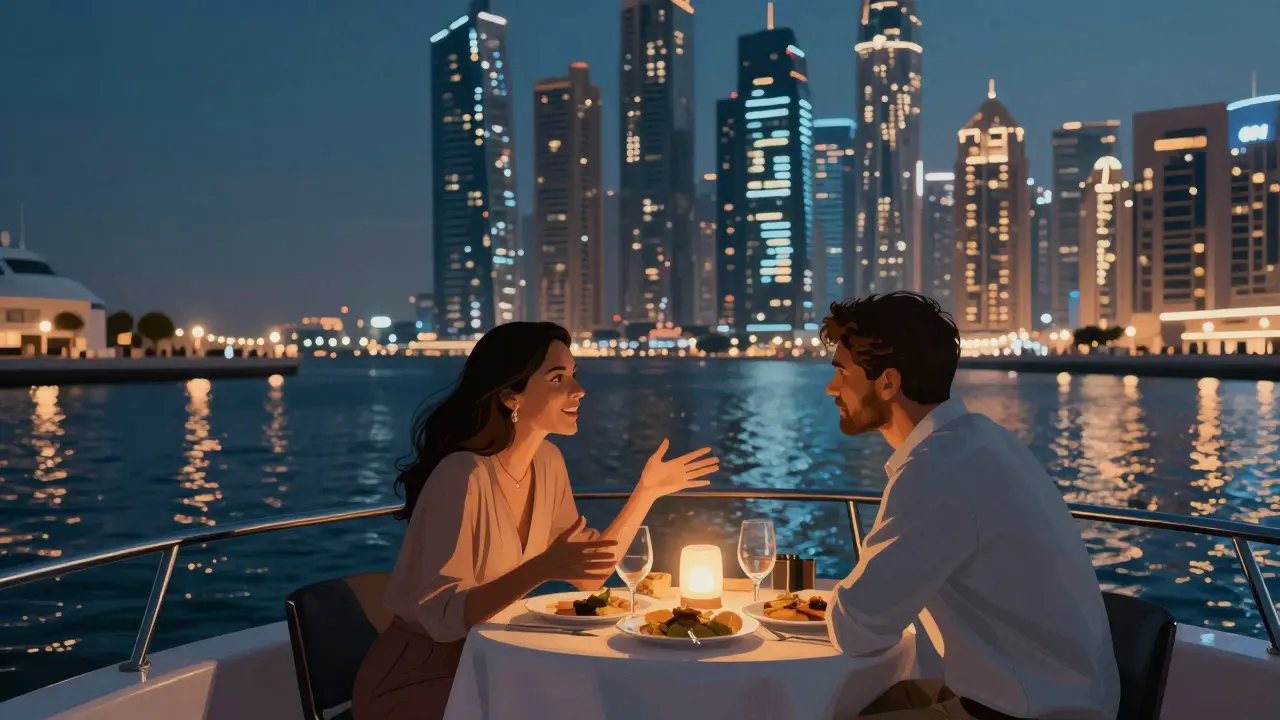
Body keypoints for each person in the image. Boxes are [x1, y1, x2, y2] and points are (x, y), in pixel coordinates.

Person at [353, 322, 719, 720]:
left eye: (574, 374)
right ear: (512, 396)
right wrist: (541, 568)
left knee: (622, 697)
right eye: (557, 378)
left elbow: (590, 575)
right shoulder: (463, 474)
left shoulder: (546, 463)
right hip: (423, 677)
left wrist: (646, 492)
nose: (577, 390)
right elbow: (444, 617)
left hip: (498, 662)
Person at [819, 293, 1120, 720]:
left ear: (887, 382)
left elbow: (858, 629)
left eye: (841, 371)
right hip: (1067, 696)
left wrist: (831, 605)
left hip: (1025, 712)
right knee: (861, 702)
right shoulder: (982, 439)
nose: (832, 387)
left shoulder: (935, 471)